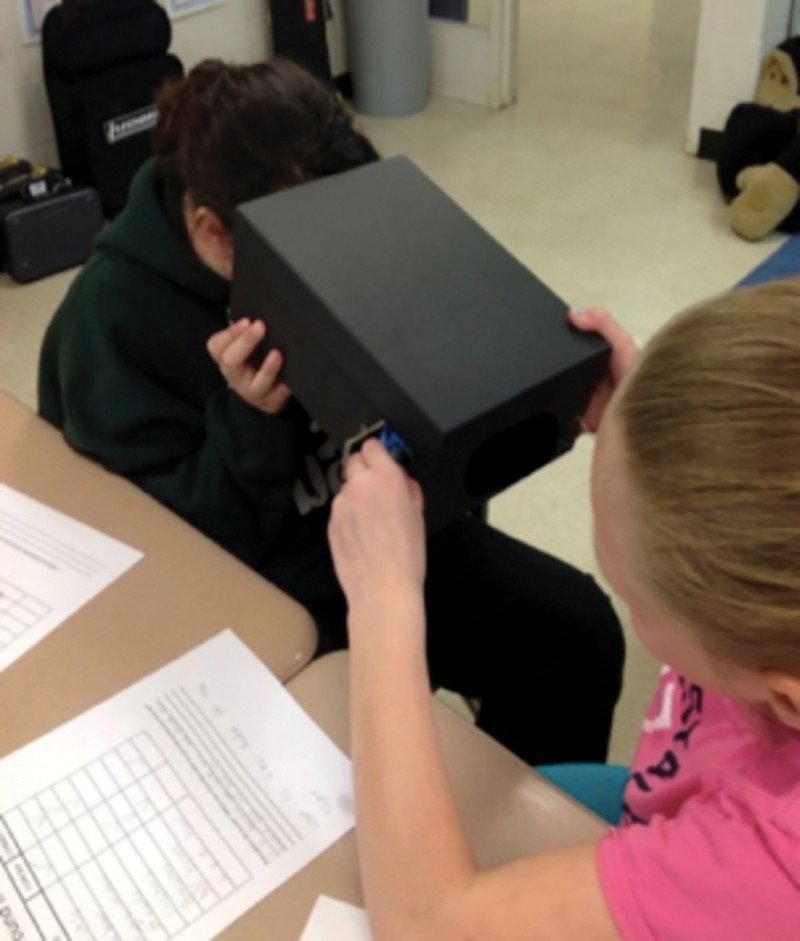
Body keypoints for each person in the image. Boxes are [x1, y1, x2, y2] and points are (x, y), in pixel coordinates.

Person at [38, 58, 624, 767]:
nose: (343, 261)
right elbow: (168, 564)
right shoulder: (110, 324)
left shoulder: (355, 227)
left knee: (578, 634)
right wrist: (248, 421)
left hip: (389, 534)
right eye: (314, 251)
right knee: (352, 771)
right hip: (265, 583)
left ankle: (519, 854)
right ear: (214, 232)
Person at [328, 284, 800, 940]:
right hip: (665, 800)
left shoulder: (773, 861)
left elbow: (424, 924)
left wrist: (384, 600)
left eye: (636, 595)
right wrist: (660, 421)